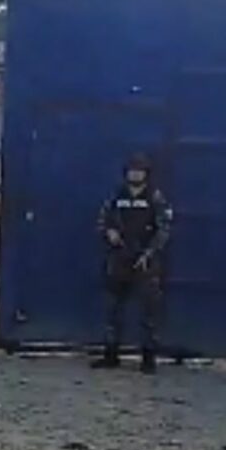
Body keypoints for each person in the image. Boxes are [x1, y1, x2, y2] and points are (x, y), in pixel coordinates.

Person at [92, 152, 173, 374]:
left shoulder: (154, 197)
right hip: (119, 258)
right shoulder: (117, 196)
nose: (135, 175)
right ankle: (110, 355)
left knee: (149, 312)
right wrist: (109, 232)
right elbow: (102, 220)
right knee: (113, 309)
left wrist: (149, 253)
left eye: (139, 171)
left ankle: (148, 357)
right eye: (132, 171)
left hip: (145, 261)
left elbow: (164, 229)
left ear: (146, 174)